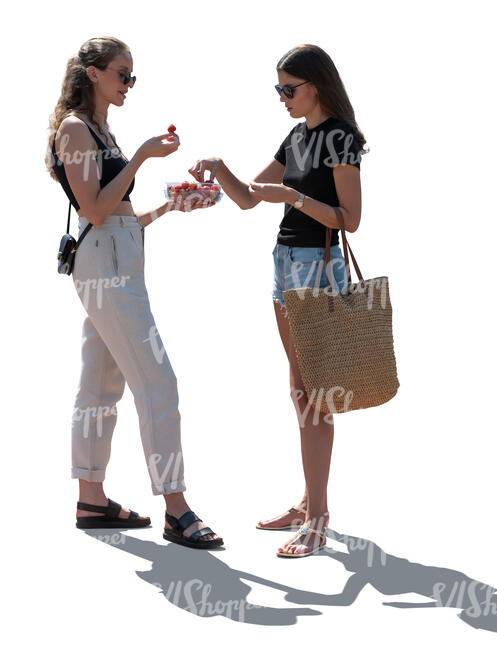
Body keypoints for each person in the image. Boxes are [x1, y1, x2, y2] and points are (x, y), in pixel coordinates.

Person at [189, 44, 367, 557]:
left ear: (317, 85)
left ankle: (317, 518)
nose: (282, 98)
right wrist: (219, 169)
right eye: (279, 89)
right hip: (286, 262)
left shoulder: (340, 137)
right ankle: (309, 500)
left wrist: (292, 197)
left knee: (314, 393)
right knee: (299, 389)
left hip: (317, 265)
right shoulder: (297, 135)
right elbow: (248, 196)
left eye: (289, 89)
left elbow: (349, 218)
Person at [46, 36, 223, 549]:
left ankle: (91, 499)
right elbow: (95, 211)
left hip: (119, 257)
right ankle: (177, 508)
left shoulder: (101, 130)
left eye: (132, 76)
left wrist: (172, 207)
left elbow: (120, 218)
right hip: (106, 263)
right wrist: (144, 155)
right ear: (94, 73)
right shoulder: (76, 129)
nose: (129, 84)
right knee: (158, 380)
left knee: (101, 384)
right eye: (123, 74)